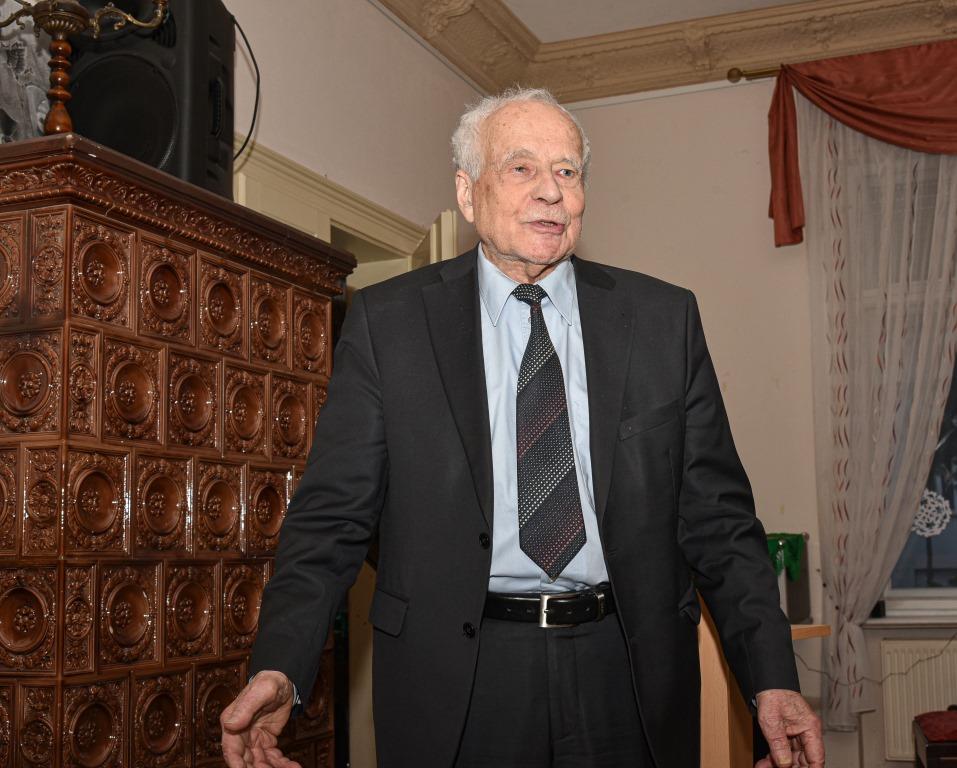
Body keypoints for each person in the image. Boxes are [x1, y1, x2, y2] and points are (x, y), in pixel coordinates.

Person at [220, 87, 825, 768]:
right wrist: (281, 662)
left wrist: (772, 677)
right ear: (467, 193)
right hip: (459, 678)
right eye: (521, 167)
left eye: (567, 171)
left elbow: (719, 522)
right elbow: (332, 518)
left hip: (628, 672)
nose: (551, 191)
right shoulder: (391, 323)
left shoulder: (662, 320)